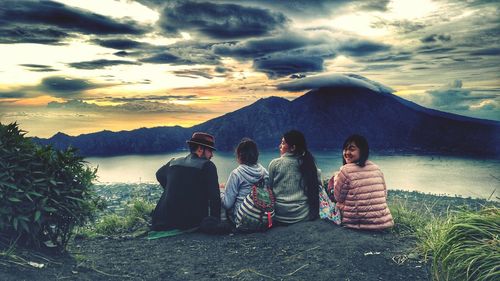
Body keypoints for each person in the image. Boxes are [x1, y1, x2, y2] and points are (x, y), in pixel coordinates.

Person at [151, 132, 221, 231]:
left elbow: (159, 175)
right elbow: (215, 197)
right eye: (210, 150)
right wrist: (215, 222)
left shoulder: (173, 162)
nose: (212, 155)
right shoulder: (207, 165)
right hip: (189, 222)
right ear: (200, 149)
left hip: (161, 221)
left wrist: (173, 189)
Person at [327, 134, 394, 230]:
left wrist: (337, 177)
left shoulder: (346, 170)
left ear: (362, 151)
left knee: (331, 186)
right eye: (345, 149)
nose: (347, 152)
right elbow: (384, 194)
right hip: (382, 221)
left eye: (352, 149)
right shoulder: (376, 168)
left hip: (355, 222)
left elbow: (339, 198)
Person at [268, 130, 320, 224]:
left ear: (293, 148)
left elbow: (269, 189)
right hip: (302, 215)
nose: (280, 146)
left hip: (279, 215)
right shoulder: (307, 164)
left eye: (283, 143)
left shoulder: (275, 164)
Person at [220, 138, 269, 222]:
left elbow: (227, 204)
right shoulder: (264, 172)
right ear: (256, 155)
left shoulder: (236, 173)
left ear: (239, 155)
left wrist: (220, 192)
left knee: (222, 193)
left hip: (242, 219)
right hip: (262, 217)